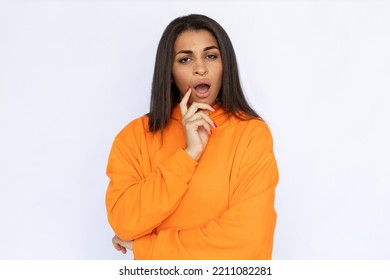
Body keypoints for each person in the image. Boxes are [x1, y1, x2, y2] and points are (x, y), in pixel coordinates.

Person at [105, 14, 279, 260]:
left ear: (224, 64)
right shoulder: (134, 137)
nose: (200, 68)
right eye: (185, 59)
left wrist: (147, 247)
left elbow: (248, 242)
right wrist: (188, 156)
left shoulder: (251, 133)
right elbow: (124, 223)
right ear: (170, 71)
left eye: (211, 56)